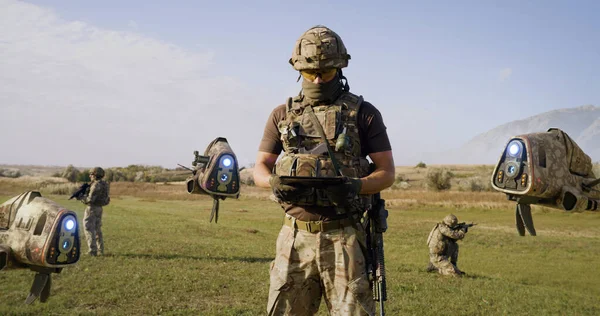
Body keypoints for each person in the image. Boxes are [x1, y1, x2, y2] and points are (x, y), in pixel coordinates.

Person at [253, 25, 395, 315]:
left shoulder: (364, 114)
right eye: (309, 73)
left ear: (340, 69)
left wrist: (357, 186)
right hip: (294, 240)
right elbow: (260, 167)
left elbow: (387, 172)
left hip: (345, 238)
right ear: (298, 70)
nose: (317, 79)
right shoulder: (282, 114)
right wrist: (272, 182)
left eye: (326, 72)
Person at [78, 167, 110, 256]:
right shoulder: (105, 184)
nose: (90, 176)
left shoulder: (96, 185)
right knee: (97, 229)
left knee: (88, 228)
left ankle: (92, 251)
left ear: (95, 175)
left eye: (91, 174)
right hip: (99, 208)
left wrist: (81, 198)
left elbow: (90, 199)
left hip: (91, 208)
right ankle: (100, 250)